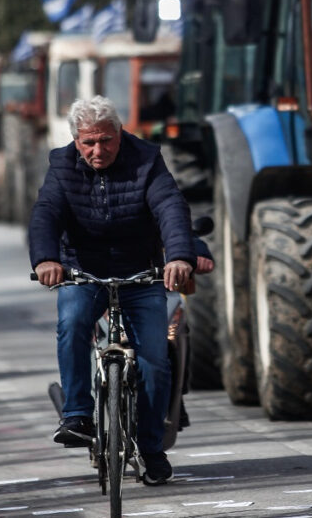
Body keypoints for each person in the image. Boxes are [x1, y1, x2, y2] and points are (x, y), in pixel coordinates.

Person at [29, 96, 196, 486]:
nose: (97, 150)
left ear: (120, 134)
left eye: (106, 140)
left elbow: (170, 206)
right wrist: (45, 260)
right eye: (88, 143)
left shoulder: (146, 158)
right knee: (71, 324)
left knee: (156, 360)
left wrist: (179, 257)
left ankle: (152, 448)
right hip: (83, 272)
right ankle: (77, 416)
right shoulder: (61, 164)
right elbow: (46, 212)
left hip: (141, 273)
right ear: (76, 140)